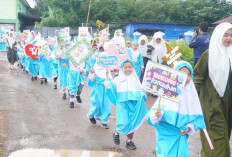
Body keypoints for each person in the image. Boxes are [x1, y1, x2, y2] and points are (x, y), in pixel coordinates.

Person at [147, 61, 206, 157]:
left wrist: (189, 128)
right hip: (165, 135)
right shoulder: (166, 93)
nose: (184, 77)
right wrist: (158, 114)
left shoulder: (192, 97)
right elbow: (152, 118)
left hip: (181, 136)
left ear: (191, 77)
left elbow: (196, 120)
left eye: (187, 74)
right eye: (180, 74)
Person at [193, 22, 232, 157]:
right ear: (218, 36)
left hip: (227, 104)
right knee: (220, 139)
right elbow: (197, 77)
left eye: (231, 36)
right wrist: (191, 98)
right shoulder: (209, 54)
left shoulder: (231, 54)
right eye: (225, 35)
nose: (228, 38)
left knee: (222, 136)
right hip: (211, 104)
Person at [105, 59, 147, 150]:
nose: (128, 69)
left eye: (130, 67)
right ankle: (116, 132)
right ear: (122, 69)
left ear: (133, 68)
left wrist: (143, 95)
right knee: (123, 122)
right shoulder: (118, 79)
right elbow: (109, 86)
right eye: (125, 67)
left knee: (132, 123)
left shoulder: (135, 79)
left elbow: (141, 90)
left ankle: (129, 141)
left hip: (133, 104)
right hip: (122, 104)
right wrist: (106, 76)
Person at [87, 53, 111, 128]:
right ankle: (91, 115)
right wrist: (92, 73)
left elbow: (110, 80)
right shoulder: (95, 67)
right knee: (96, 105)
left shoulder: (107, 68)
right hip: (97, 89)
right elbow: (92, 80)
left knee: (106, 105)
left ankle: (104, 122)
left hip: (105, 90)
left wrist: (108, 77)